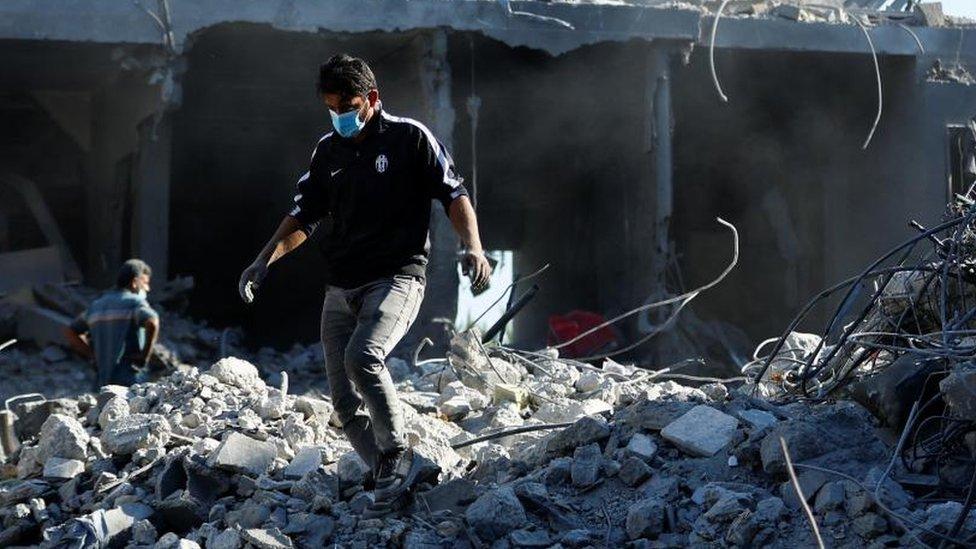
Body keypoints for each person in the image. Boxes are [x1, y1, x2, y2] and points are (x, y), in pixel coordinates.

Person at [238, 53, 492, 516]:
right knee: (342, 401)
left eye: (348, 106)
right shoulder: (327, 151)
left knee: (363, 357)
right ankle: (393, 477)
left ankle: (395, 453)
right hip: (341, 289)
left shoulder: (410, 138)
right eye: (331, 107)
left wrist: (472, 246)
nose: (340, 117)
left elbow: (454, 193)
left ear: (371, 99)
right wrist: (263, 259)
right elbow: (303, 215)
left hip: (396, 278)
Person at [64, 259, 160, 388]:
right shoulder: (134, 302)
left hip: (102, 381)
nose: (148, 289)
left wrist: (93, 356)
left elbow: (71, 332)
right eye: (145, 283)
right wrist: (144, 356)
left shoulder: (96, 306)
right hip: (131, 378)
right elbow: (152, 322)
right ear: (134, 282)